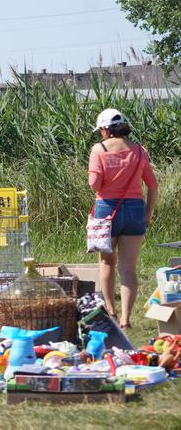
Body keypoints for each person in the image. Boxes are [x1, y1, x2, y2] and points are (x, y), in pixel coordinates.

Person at [88, 108, 158, 329]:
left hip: (106, 209)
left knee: (106, 263)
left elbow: (94, 185)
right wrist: (148, 213)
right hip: (136, 210)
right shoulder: (139, 151)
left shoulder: (98, 150)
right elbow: (153, 185)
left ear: (106, 129)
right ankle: (126, 319)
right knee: (128, 268)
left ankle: (110, 311)